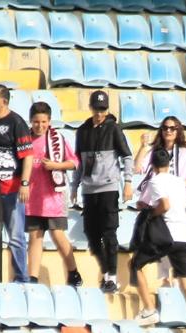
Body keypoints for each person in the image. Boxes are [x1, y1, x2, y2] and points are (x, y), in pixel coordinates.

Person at [131, 147, 186, 333]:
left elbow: (164, 205)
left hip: (166, 234)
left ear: (152, 165)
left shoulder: (155, 181)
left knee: (135, 265)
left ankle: (149, 309)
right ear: (170, 163)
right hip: (184, 236)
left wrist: (151, 212)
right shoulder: (179, 181)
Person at [73, 89, 133, 293]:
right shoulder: (82, 131)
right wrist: (74, 186)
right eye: (96, 109)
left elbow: (127, 156)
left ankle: (112, 276)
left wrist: (128, 182)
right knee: (91, 232)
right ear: (91, 108)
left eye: (103, 109)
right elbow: (79, 163)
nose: (99, 113)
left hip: (108, 187)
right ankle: (106, 271)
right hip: (89, 189)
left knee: (109, 232)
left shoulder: (114, 129)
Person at [133, 116, 186, 294]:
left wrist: (178, 183)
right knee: (159, 238)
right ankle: (164, 279)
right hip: (157, 200)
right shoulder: (155, 151)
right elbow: (138, 167)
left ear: (178, 131)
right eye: (165, 128)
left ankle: (174, 280)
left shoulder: (185, 153)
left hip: (176, 201)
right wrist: (143, 147)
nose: (168, 131)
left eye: (172, 128)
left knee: (172, 238)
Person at [22, 100, 81, 287]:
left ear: (49, 121)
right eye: (36, 122)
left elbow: (73, 162)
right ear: (31, 121)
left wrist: (56, 166)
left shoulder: (57, 140)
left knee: (57, 234)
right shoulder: (25, 140)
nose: (40, 126)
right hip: (32, 198)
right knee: (35, 236)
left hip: (53, 197)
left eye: (43, 122)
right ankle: (32, 277)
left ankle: (73, 271)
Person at [0, 84, 33, 283]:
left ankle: (22, 278)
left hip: (11, 190)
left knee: (16, 237)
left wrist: (25, 184)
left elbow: (27, 157)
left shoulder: (16, 122)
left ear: (4, 101)